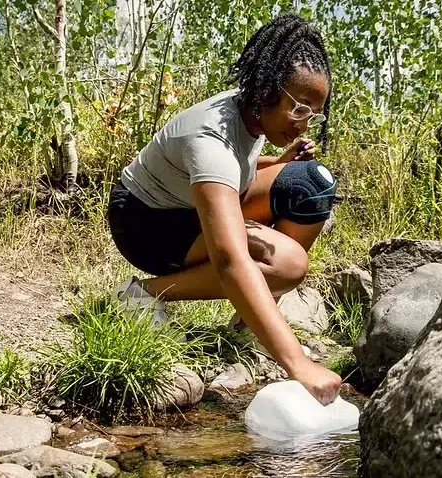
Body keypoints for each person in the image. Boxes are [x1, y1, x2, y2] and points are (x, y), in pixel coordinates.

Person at [108, 13, 341, 405]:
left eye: (313, 115)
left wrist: (281, 159)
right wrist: (299, 364)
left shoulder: (251, 116)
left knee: (310, 181)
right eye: (298, 109)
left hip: (185, 206)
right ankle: (140, 294)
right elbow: (229, 258)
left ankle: (246, 323)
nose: (304, 124)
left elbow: (238, 172)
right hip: (145, 222)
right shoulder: (211, 137)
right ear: (268, 87)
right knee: (288, 265)